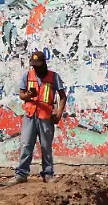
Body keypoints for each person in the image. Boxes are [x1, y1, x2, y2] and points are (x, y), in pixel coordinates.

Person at [7, 50, 67, 185]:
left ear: (44, 64)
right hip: (30, 115)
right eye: (34, 65)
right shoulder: (27, 76)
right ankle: (21, 174)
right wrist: (29, 94)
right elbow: (22, 95)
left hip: (46, 117)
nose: (36, 68)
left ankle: (48, 173)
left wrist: (59, 114)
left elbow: (62, 96)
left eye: (38, 65)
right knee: (26, 144)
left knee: (46, 146)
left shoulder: (53, 77)